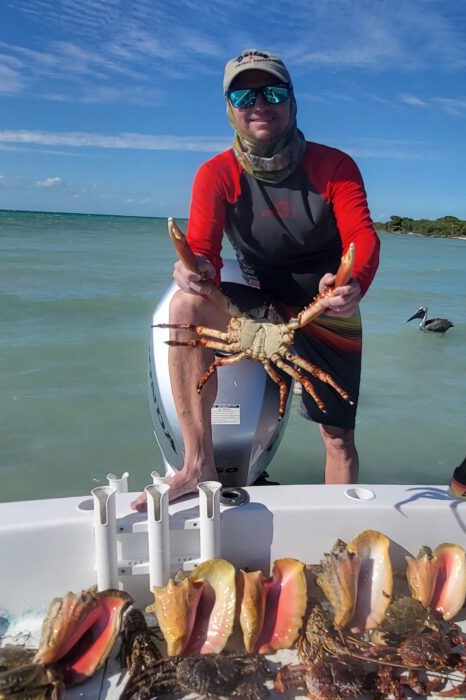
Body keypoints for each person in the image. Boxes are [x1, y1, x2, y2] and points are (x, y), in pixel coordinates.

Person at [134, 48, 380, 509]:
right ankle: (196, 464)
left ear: (292, 101)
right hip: (260, 302)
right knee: (183, 304)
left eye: (273, 91)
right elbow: (204, 253)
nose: (259, 104)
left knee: (339, 439)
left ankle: (340, 529)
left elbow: (362, 237)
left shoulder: (335, 167)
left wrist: (353, 284)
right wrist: (194, 269)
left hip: (327, 307)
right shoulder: (216, 174)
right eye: (244, 94)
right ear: (230, 108)